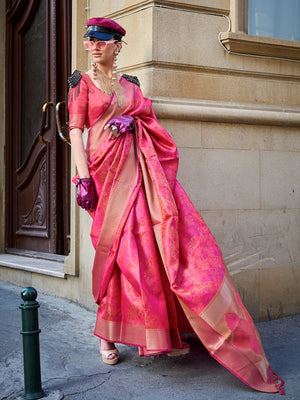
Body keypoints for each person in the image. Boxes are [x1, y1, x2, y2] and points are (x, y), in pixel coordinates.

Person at [68, 17, 284, 394]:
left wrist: (132, 125)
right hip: (105, 177)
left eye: (102, 40)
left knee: (148, 253)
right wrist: (82, 178)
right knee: (117, 255)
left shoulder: (131, 86)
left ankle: (160, 331)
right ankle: (105, 336)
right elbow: (76, 131)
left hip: (140, 176)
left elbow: (150, 123)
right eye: (90, 41)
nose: (94, 46)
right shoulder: (80, 84)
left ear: (118, 45)